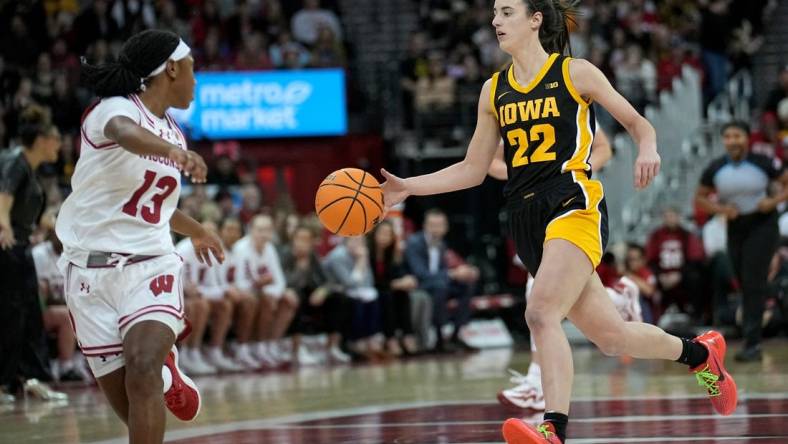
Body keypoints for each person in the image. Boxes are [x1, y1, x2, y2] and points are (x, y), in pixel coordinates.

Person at [381, 2, 737, 442]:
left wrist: (647, 147)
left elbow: (637, 122)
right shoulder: (493, 91)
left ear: (535, 20)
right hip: (526, 217)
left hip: (574, 202)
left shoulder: (575, 73)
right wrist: (407, 187)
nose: (495, 21)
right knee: (612, 337)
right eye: (494, 13)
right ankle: (702, 356)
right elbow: (472, 169)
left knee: (541, 311)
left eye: (507, 11)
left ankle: (553, 429)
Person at [55, 30, 224, 442]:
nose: (196, 80)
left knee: (142, 366)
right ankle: (168, 379)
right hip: (88, 275)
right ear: (170, 68)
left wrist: (198, 229)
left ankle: (159, 365)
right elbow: (125, 134)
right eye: (192, 69)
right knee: (133, 408)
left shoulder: (175, 134)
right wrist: (171, 154)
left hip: (149, 264)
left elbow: (157, 206)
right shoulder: (112, 110)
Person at [695, 121, 788, 362]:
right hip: (736, 226)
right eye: (727, 136)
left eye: (737, 136)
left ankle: (752, 343)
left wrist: (772, 201)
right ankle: (753, 333)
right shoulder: (715, 167)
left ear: (747, 139)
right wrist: (721, 209)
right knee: (742, 279)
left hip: (763, 224)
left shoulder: (763, 162)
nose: (732, 141)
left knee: (753, 279)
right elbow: (700, 197)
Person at [0, 105, 66, 403]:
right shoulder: (14, 160)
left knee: (29, 316)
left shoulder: (30, 168)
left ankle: (29, 378)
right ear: (41, 139)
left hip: (21, 247)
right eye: (55, 138)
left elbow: (30, 215)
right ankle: (4, 383)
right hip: (8, 247)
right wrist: (3, 226)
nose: (59, 145)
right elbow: (3, 196)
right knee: (11, 316)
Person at [404, 209, 479, 353]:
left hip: (439, 282)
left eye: (440, 225)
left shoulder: (441, 244)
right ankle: (439, 337)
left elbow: (443, 270)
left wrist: (464, 272)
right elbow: (420, 274)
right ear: (425, 226)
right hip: (419, 284)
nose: (436, 229)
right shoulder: (415, 242)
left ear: (446, 227)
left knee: (466, 285)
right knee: (441, 287)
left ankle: (456, 334)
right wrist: (452, 274)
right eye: (433, 225)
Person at [233, 214, 300, 367]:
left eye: (268, 230)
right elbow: (240, 283)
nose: (264, 234)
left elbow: (280, 280)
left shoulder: (269, 248)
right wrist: (262, 286)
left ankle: (269, 346)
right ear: (250, 230)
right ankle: (242, 348)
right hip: (241, 293)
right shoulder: (241, 249)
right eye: (260, 230)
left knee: (289, 300)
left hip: (261, 293)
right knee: (260, 301)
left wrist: (273, 292)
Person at [281, 225, 352, 364]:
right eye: (300, 238)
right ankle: (297, 350)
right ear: (293, 240)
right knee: (297, 296)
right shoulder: (286, 255)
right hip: (291, 296)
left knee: (340, 299)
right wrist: (300, 268)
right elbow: (284, 282)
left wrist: (323, 290)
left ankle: (332, 347)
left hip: (313, 298)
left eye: (307, 239)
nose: (303, 242)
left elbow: (328, 281)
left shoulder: (313, 256)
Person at [368, 220, 420, 356]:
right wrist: (393, 284)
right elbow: (371, 280)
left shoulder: (393, 253)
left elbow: (399, 272)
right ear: (374, 234)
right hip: (373, 289)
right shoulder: (368, 253)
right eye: (382, 233)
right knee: (387, 295)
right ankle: (390, 338)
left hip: (389, 288)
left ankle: (408, 334)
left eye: (389, 234)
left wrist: (407, 279)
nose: (385, 237)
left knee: (403, 293)